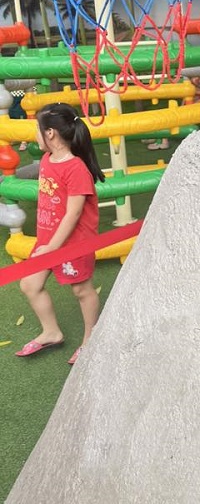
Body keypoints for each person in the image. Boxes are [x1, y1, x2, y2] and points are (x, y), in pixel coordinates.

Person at [15, 103, 105, 365]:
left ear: (50, 133)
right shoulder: (47, 159)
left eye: (37, 129)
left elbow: (73, 214)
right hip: (48, 241)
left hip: (73, 243)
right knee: (30, 284)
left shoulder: (76, 169)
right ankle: (51, 332)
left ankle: (90, 340)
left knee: (81, 290)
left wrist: (53, 247)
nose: (35, 134)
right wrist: (48, 244)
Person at [146, 73, 200, 150]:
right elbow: (184, 100)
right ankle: (156, 136)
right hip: (186, 109)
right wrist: (182, 108)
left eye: (197, 77)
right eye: (194, 77)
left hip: (193, 110)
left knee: (171, 121)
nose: (196, 79)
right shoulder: (189, 86)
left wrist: (192, 106)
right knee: (166, 117)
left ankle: (163, 141)